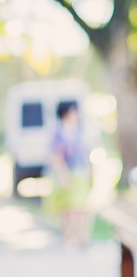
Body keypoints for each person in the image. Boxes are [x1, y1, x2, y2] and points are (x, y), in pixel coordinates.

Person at [47, 100, 92, 247]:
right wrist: (63, 176)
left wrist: (91, 171)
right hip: (67, 174)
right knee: (70, 209)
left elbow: (86, 154)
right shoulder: (58, 133)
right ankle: (69, 238)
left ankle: (82, 237)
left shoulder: (79, 132)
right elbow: (56, 156)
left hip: (81, 175)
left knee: (83, 208)